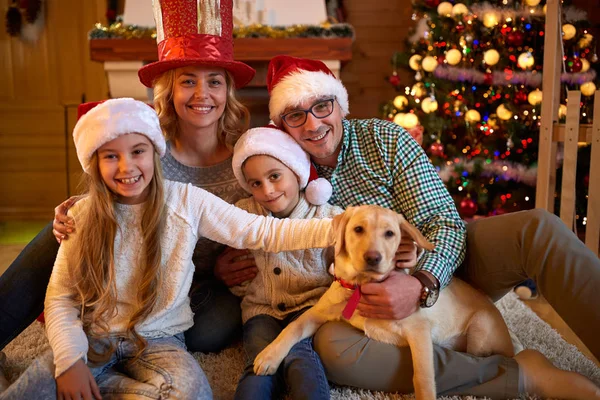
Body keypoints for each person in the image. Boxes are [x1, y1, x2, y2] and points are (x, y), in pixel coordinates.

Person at [263, 55, 600, 399]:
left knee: (536, 229)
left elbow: (444, 222)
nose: (312, 124)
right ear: (283, 126)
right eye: (295, 115)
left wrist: (421, 283)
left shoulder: (385, 139)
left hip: (447, 264)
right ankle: (520, 375)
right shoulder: (278, 170)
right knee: (333, 349)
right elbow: (254, 228)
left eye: (322, 105)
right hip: (366, 296)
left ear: (339, 104)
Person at [0, 98, 335, 400]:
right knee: (41, 385)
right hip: (95, 335)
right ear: (95, 164)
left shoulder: (188, 201)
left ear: (154, 152)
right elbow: (60, 299)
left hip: (160, 340)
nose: (126, 167)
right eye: (111, 156)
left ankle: (114, 387)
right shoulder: (82, 215)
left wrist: (341, 229)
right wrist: (70, 359)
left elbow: (263, 231)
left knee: (192, 392)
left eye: (137, 152)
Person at [0, 0, 262, 354]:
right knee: (64, 230)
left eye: (214, 82)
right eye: (188, 81)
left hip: (199, 287)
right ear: (169, 90)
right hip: (133, 273)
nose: (202, 94)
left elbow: (265, 228)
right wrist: (78, 212)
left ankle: (128, 331)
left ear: (227, 91)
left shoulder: (248, 160)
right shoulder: (147, 151)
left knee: (209, 334)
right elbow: (109, 199)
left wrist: (225, 267)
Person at [229, 126, 341, 400]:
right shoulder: (243, 214)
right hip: (261, 310)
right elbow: (236, 266)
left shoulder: (328, 216)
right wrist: (244, 288)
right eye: (255, 183)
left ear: (297, 172)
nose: (267, 190)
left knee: (301, 360)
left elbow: (344, 268)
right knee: (258, 363)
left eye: (275, 176)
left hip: (309, 309)